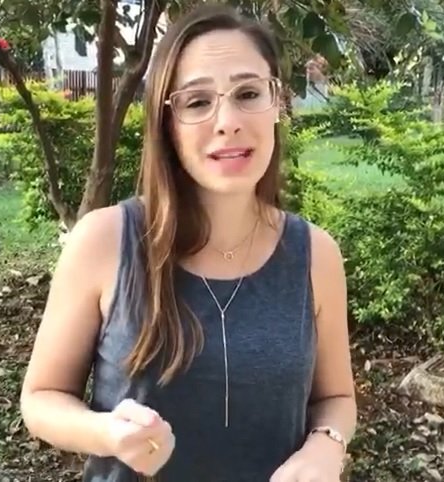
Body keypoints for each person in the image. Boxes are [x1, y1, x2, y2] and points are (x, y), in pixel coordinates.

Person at [19, 4, 357, 481]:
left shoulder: (315, 255)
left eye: (248, 93)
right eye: (197, 102)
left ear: (277, 104)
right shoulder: (104, 241)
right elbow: (41, 398)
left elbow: (336, 398)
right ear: (167, 123)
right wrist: (107, 433)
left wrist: (327, 445)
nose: (228, 121)